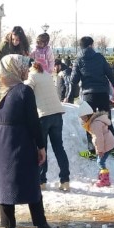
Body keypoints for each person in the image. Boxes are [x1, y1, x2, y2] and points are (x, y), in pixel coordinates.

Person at [0, 55, 59, 228]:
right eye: (24, 67)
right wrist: (41, 146)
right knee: (31, 182)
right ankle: (42, 226)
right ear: (15, 69)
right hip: (19, 141)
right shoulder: (23, 91)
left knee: (4, 187)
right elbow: (33, 121)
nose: (27, 70)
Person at [67, 36, 114, 157]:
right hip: (102, 93)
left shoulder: (78, 60)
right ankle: (113, 149)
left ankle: (92, 151)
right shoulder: (99, 57)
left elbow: (74, 80)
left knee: (89, 122)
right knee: (106, 120)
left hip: (88, 95)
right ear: (91, 45)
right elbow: (109, 72)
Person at [25, 63, 70, 191]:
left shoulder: (31, 76)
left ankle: (41, 181)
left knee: (41, 149)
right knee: (59, 148)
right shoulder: (47, 75)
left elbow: (26, 93)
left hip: (43, 115)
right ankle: (65, 180)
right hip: (57, 114)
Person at [77, 101, 114, 187]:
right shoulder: (94, 121)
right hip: (107, 143)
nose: (82, 120)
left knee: (100, 162)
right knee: (100, 161)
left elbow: (99, 138)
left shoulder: (94, 124)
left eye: (83, 118)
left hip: (106, 144)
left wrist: (100, 150)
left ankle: (105, 180)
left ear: (87, 116)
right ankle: (102, 175)